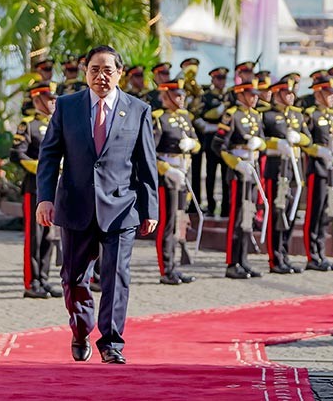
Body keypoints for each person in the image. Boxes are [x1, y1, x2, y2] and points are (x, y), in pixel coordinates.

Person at [36, 45, 158, 365]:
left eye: (107, 70)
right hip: (76, 204)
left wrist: (150, 209)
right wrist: (45, 198)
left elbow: (146, 163)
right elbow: (49, 155)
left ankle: (112, 343)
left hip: (121, 206)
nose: (101, 76)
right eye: (94, 69)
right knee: (73, 277)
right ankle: (81, 330)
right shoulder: (67, 106)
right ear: (85, 71)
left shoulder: (138, 110)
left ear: (119, 73)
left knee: (116, 277)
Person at [11, 80, 62, 298]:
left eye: (54, 99)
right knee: (35, 235)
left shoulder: (58, 123)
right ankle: (31, 282)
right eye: (49, 99)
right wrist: (43, 169)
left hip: (56, 187)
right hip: (35, 186)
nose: (53, 102)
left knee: (50, 235)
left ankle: (43, 278)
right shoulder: (28, 125)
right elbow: (17, 153)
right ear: (37, 99)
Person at [215, 79, 266, 279]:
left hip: (252, 170)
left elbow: (262, 142)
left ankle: (244, 260)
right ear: (240, 94)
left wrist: (259, 143)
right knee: (236, 218)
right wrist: (236, 164)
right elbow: (218, 145)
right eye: (251, 95)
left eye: (255, 95)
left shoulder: (256, 116)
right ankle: (232, 262)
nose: (255, 98)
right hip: (238, 171)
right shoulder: (231, 115)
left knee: (248, 216)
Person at [152, 79, 199, 285]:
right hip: (168, 176)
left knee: (179, 220)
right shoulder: (158, 118)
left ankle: (174, 266)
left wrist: (192, 144)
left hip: (183, 174)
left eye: (182, 95)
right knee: (167, 222)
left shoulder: (184, 117)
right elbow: (150, 152)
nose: (181, 98)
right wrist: (167, 170)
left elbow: (197, 144)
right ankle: (166, 269)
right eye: (177, 95)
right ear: (167, 96)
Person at [262, 78, 310, 274]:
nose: (291, 96)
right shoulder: (267, 116)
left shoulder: (297, 115)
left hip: (294, 169)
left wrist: (299, 138)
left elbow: (308, 139)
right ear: (277, 94)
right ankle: (275, 258)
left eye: (292, 93)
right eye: (287, 93)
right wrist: (276, 143)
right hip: (276, 169)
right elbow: (261, 140)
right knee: (277, 214)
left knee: (291, 214)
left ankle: (285, 254)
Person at [302, 77, 333, 271]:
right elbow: (305, 142)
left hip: (330, 168)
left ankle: (321, 253)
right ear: (318, 94)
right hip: (317, 167)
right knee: (314, 211)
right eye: (328, 94)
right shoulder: (310, 114)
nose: (332, 98)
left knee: (326, 213)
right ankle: (312, 255)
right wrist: (318, 151)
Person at [190, 66, 229, 217]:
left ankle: (225, 207)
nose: (221, 81)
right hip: (211, 139)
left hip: (225, 140)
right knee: (210, 174)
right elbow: (204, 115)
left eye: (223, 78)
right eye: (218, 78)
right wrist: (222, 108)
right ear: (212, 79)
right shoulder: (206, 97)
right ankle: (211, 206)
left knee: (226, 175)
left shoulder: (228, 95)